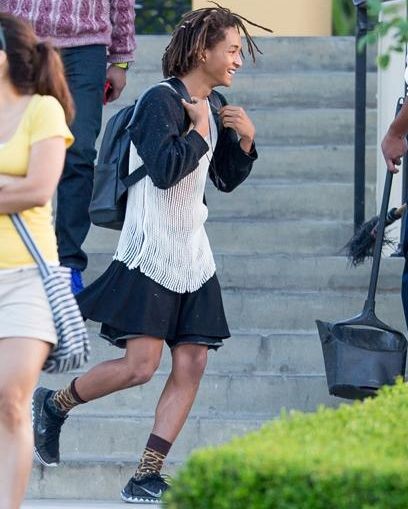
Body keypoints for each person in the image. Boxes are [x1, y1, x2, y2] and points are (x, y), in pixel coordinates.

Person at [32, 5, 271, 504]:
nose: (237, 60)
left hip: (193, 251)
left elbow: (222, 179)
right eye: (231, 50)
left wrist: (244, 141)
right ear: (203, 51)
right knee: (140, 365)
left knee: (193, 362)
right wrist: (202, 132)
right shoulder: (158, 102)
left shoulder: (216, 102)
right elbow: (164, 170)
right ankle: (54, 403)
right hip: (151, 247)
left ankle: (146, 472)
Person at [5, 0, 136, 293]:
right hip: (21, 41)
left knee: (78, 153)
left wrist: (121, 59)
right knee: (12, 144)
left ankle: (68, 263)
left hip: (85, 48)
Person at [0, 13, 74, 509]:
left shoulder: (42, 110)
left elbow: (40, 187)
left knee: (10, 399)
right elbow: (18, 190)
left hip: (27, 276)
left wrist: (17, 189)